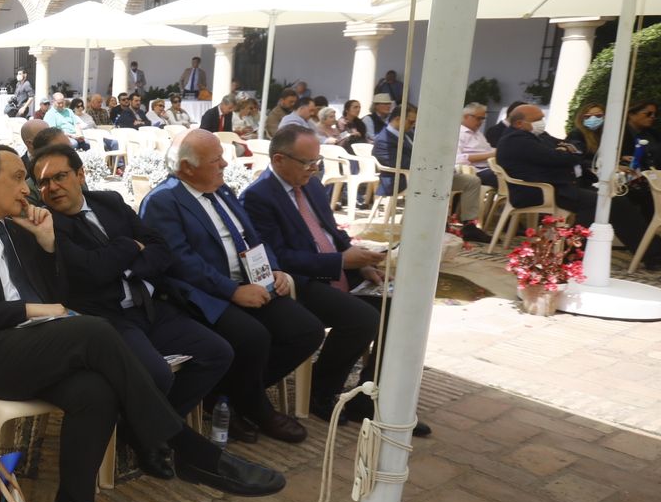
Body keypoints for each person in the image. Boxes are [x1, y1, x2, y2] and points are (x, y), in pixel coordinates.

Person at [0, 145, 284, 502]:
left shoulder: (22, 229)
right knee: (96, 328)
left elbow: (61, 293)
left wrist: (49, 244)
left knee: (97, 392)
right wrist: (28, 311)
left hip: (48, 343)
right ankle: (187, 448)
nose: (27, 189)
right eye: (19, 177)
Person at [239, 125, 431, 434]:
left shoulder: (311, 185)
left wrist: (359, 260)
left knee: (397, 310)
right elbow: (277, 257)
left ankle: (367, 396)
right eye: (307, 162)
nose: (314, 169)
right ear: (278, 160)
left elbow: (332, 231)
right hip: (301, 280)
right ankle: (321, 391)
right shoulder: (258, 197)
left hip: (336, 266)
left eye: (317, 161)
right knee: (363, 319)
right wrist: (339, 261)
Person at [138, 130, 325, 445]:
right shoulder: (163, 201)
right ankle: (256, 406)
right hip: (203, 294)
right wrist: (232, 291)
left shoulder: (222, 190)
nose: (225, 163)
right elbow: (182, 263)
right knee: (253, 337)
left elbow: (253, 237)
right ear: (186, 168)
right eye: (215, 160)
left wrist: (273, 268)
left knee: (307, 331)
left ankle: (230, 396)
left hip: (250, 281)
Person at [33, 145, 233, 417]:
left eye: (60, 176)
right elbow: (93, 271)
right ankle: (155, 439)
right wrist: (128, 246)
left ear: (80, 175)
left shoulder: (110, 201)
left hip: (149, 307)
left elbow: (161, 249)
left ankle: (155, 431)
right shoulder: (49, 224)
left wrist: (126, 269)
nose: (52, 187)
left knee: (218, 353)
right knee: (157, 374)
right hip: (107, 319)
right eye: (43, 182)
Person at [497, 103, 652, 250]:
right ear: (519, 124)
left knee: (616, 200)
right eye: (537, 120)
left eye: (542, 118)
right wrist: (566, 152)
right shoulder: (517, 140)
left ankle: (650, 250)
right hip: (538, 191)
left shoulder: (537, 135)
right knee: (598, 203)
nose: (541, 122)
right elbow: (560, 158)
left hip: (559, 186)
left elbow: (572, 148)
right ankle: (572, 252)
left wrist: (567, 151)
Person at [372, 105, 489, 242]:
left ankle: (469, 225)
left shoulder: (408, 134)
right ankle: (436, 224)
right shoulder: (384, 140)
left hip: (427, 176)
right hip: (402, 179)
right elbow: (404, 164)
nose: (413, 125)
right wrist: (434, 165)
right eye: (411, 122)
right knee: (439, 182)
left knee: (471, 181)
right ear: (398, 119)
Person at [456, 102, 499, 188]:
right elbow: (457, 158)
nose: (481, 122)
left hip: (488, 167)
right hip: (474, 171)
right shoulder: (458, 133)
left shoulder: (478, 133)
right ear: (466, 116)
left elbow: (489, 149)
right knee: (504, 176)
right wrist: (489, 155)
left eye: (483, 119)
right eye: (479, 118)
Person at [621, 98, 658, 171]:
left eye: (655, 114)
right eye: (648, 113)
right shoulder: (618, 135)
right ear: (631, 115)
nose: (652, 116)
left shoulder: (654, 134)